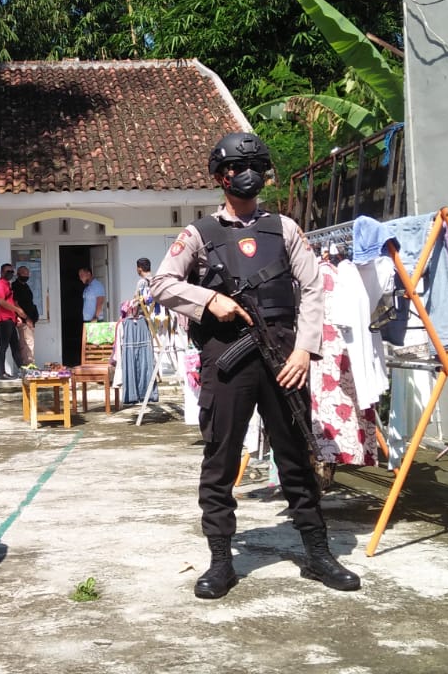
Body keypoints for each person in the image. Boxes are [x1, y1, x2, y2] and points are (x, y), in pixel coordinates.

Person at [150, 131, 360, 599]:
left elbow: (312, 290)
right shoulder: (199, 234)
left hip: (285, 355)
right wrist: (209, 302)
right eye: (235, 168)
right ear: (219, 177)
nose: (245, 176)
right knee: (220, 458)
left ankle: (318, 554)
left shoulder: (284, 228)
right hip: (227, 356)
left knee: (295, 457)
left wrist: (305, 350)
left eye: (254, 166)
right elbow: (162, 283)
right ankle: (222, 560)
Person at [0, 262, 27, 379]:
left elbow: (9, 302)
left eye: (12, 272)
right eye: (8, 272)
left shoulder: (7, 285)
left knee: (15, 346)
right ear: (2, 273)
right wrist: (18, 310)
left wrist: (15, 315)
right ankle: (1, 373)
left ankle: (23, 372)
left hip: (10, 319)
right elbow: (1, 302)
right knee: (3, 346)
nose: (10, 274)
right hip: (3, 319)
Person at [12, 265, 39, 365]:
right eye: (24, 273)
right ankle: (29, 366)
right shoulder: (15, 286)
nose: (27, 275)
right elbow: (15, 303)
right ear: (18, 274)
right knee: (27, 344)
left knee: (28, 343)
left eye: (28, 274)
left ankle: (28, 365)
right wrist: (23, 317)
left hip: (30, 319)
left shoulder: (25, 286)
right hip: (23, 320)